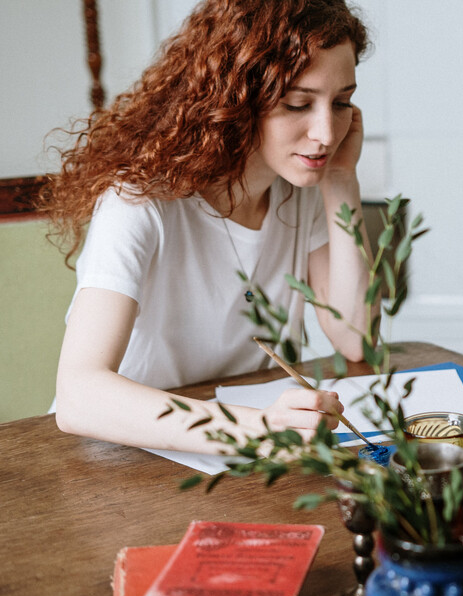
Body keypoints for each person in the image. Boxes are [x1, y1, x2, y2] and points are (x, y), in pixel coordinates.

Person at [39, 0, 374, 455]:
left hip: (231, 457)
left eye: (341, 103)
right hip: (116, 454)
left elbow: (355, 338)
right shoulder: (138, 203)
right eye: (298, 103)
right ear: (238, 99)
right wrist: (259, 429)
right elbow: (79, 397)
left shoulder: (300, 188)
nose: (327, 133)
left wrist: (340, 180)